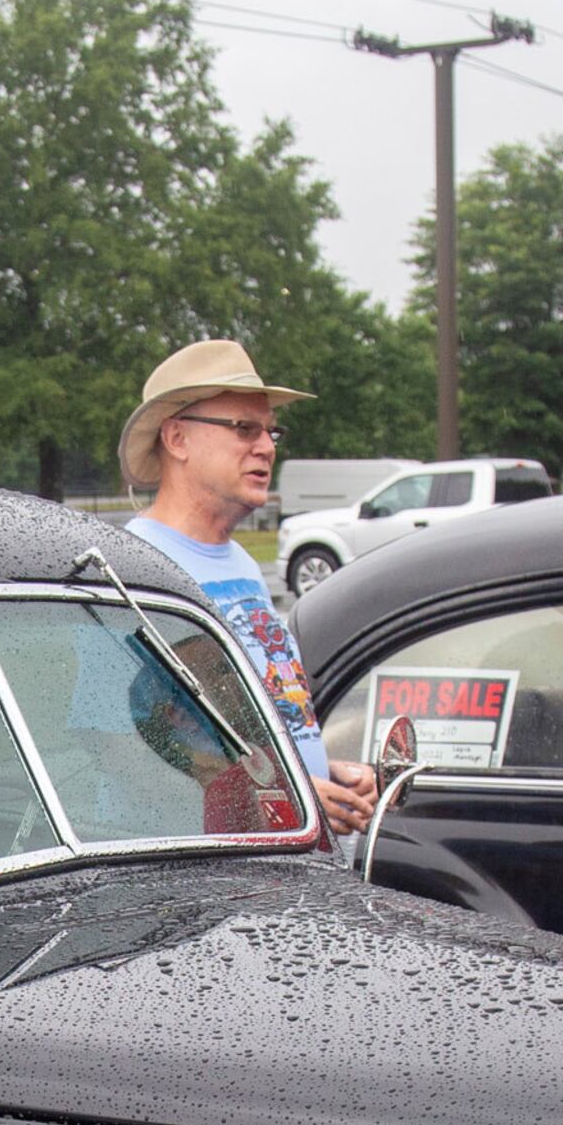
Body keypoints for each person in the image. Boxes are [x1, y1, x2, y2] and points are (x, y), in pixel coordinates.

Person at [117, 340, 378, 837]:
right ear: (177, 438)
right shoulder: (133, 565)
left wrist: (323, 772)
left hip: (280, 850)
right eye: (243, 428)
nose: (267, 446)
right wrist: (286, 790)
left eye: (271, 430)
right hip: (208, 871)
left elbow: (261, 721)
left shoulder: (240, 562)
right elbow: (111, 742)